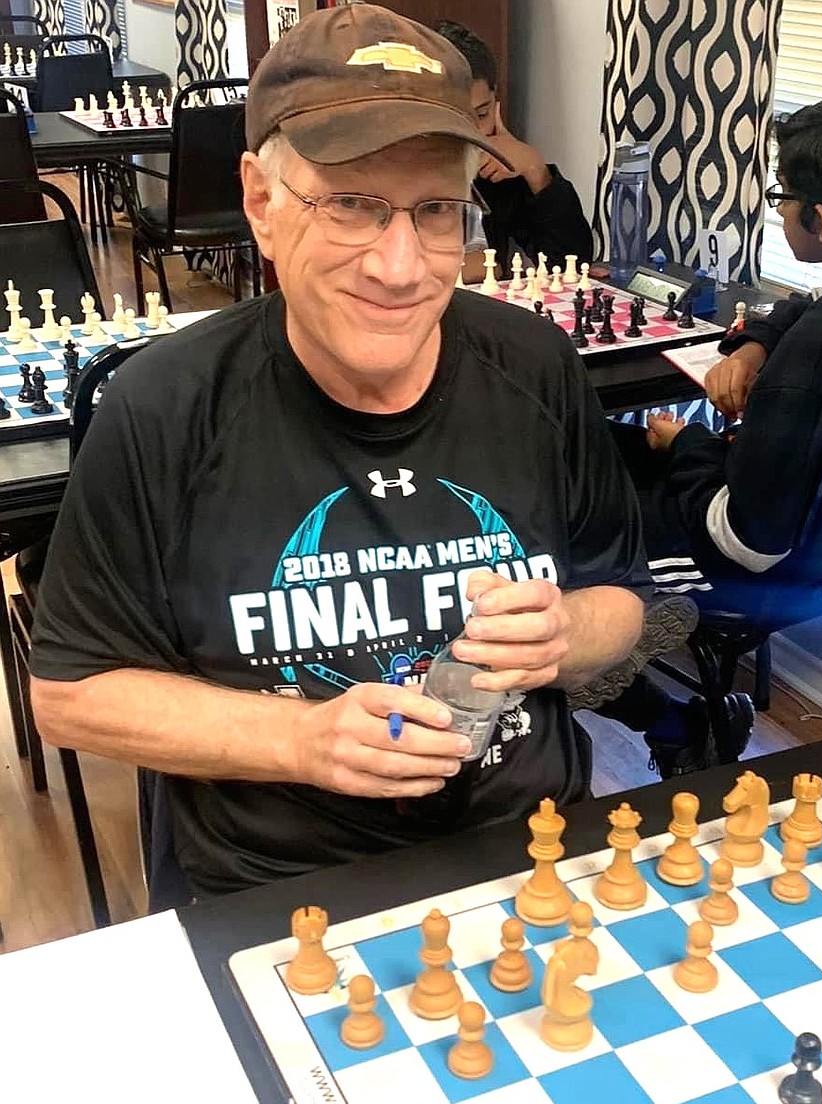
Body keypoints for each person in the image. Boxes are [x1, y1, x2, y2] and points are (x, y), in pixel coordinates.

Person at [28, 4, 646, 900]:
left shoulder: (536, 366)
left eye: (436, 210)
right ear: (260, 204)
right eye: (352, 204)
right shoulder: (164, 407)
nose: (400, 265)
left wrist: (562, 636)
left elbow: (624, 599)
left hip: (530, 853)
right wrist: (303, 741)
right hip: (277, 884)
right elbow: (71, 693)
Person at [594, 96, 822, 774]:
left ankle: (678, 719)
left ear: (819, 219)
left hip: (756, 559)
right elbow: (809, 308)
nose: (777, 206)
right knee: (592, 452)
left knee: (550, 540)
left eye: (781, 195)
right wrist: (756, 345)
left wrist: (683, 445)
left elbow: (746, 540)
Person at [432, 19, 594, 279]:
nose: (472, 132)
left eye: (482, 114)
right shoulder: (396, 170)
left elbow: (570, 264)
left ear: (496, 102)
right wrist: (485, 266)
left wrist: (536, 171)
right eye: (455, 117)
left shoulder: (497, 170)